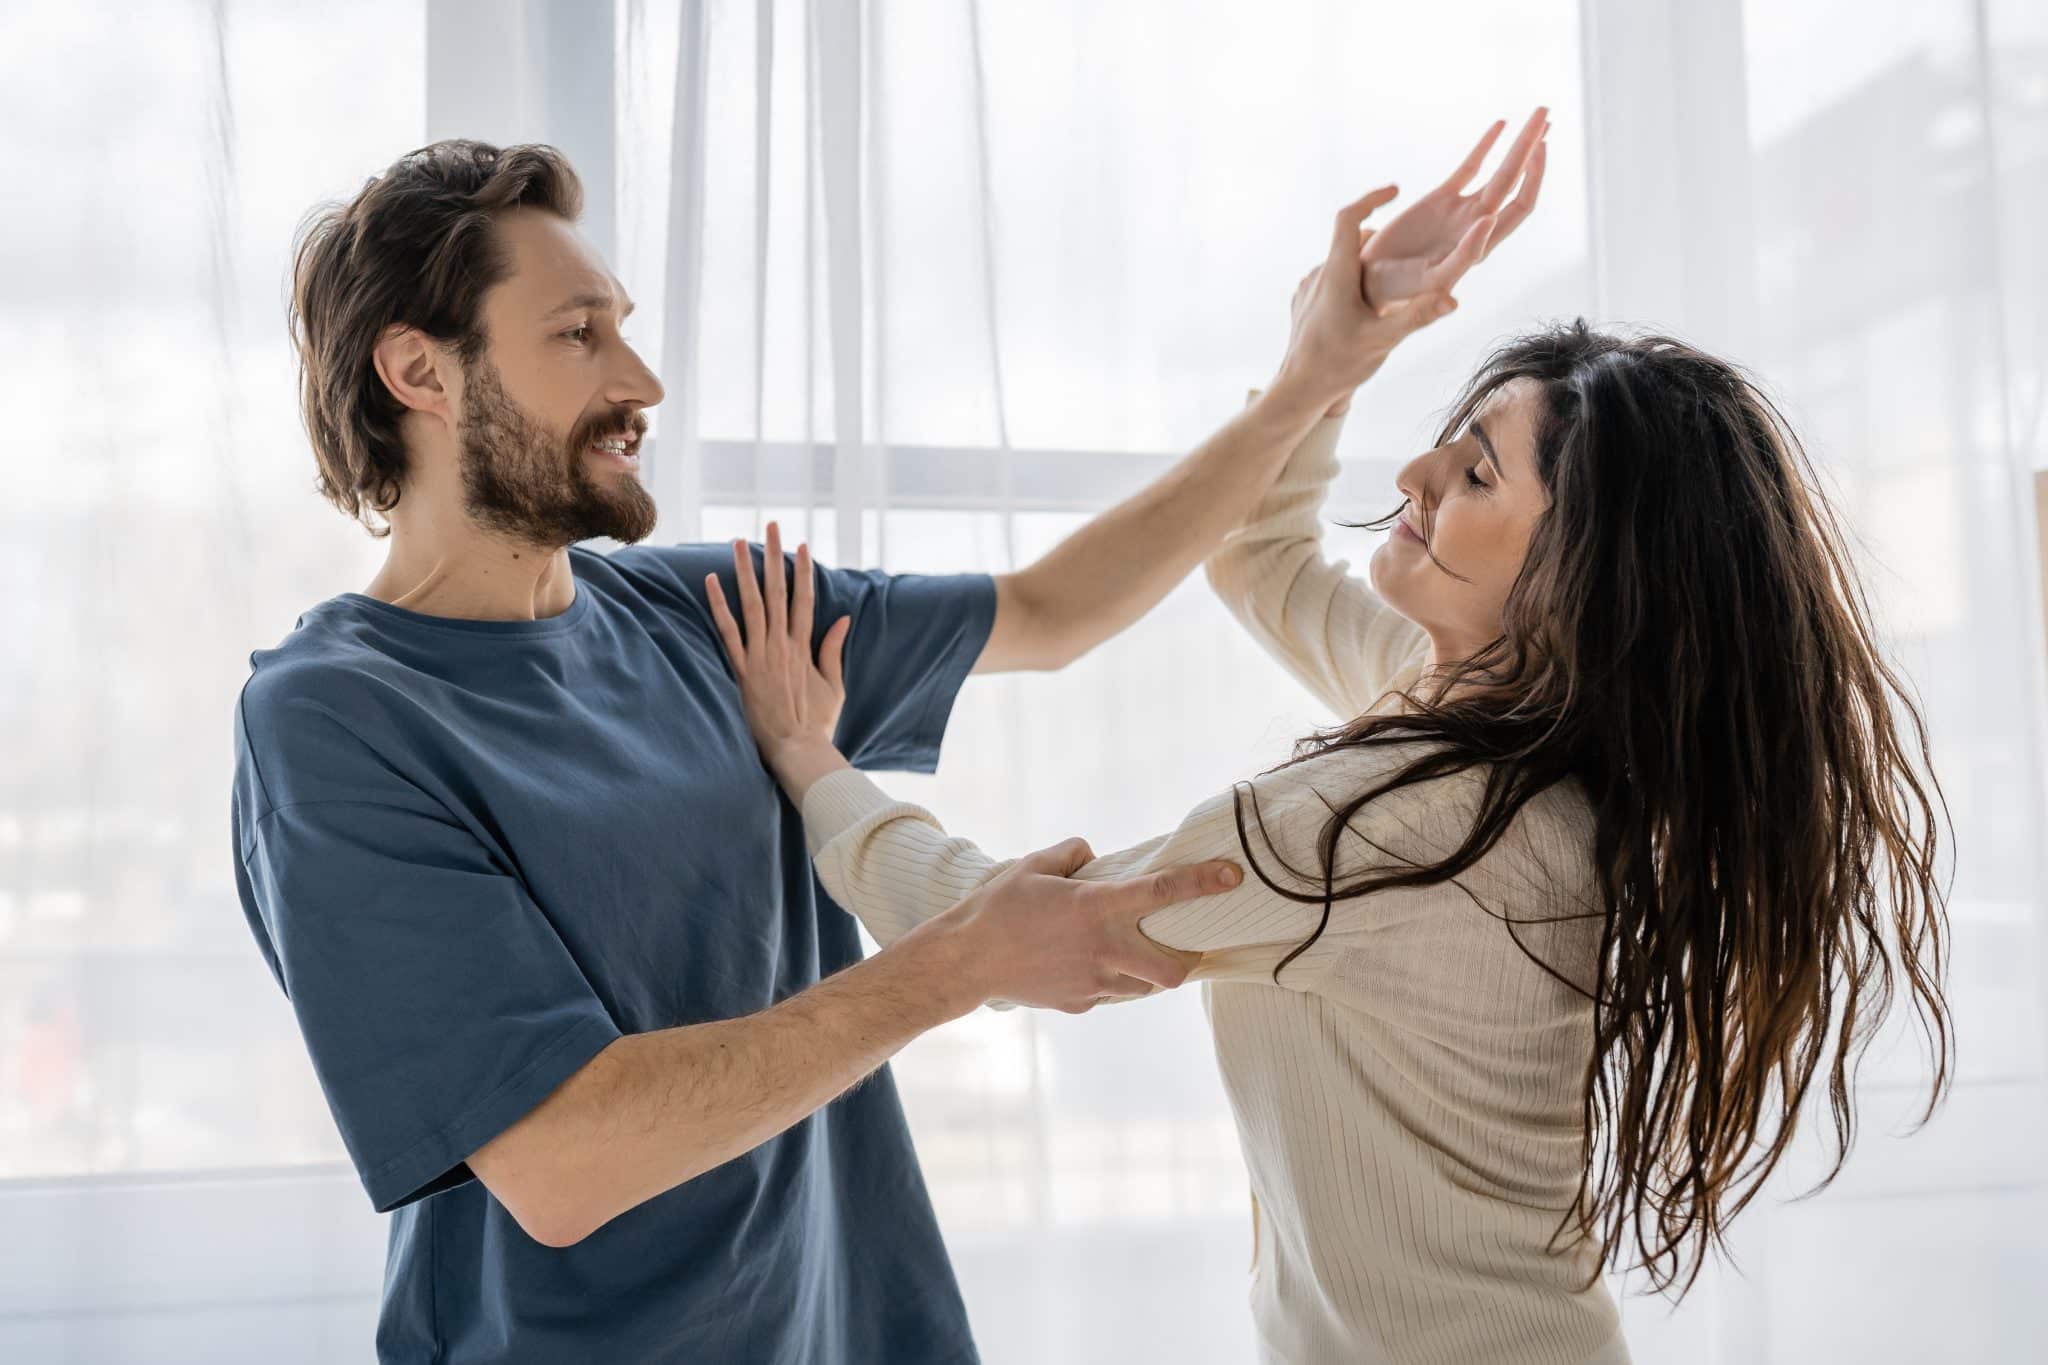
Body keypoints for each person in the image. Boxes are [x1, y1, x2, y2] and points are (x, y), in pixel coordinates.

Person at [231, 113, 1546, 1364]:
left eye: (624, 329)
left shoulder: (703, 612)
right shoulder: (338, 718)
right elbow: (564, 1160)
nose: (642, 382)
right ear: (419, 372)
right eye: (579, 336)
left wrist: (1314, 375)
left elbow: (1049, 611)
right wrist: (957, 964)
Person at [709, 153, 1953, 1365]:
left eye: (1472, 474)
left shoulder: (1379, 826)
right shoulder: (1511, 734)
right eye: (1446, 442)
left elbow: (1002, 926)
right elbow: (1256, 556)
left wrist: (811, 759)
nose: (1413, 475)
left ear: (1576, 575)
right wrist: (1336, 358)